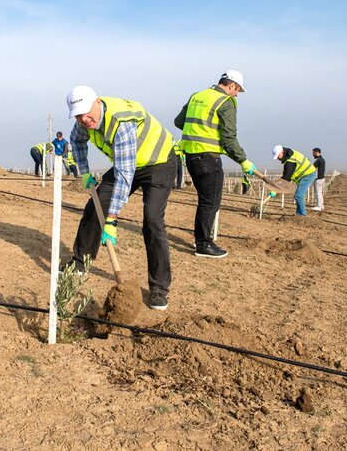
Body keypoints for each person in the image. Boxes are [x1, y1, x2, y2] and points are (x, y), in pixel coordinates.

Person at [64, 85, 177, 310]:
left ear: (98, 103)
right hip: (129, 163)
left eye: (87, 112)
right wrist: (85, 172)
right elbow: (76, 142)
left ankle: (159, 288)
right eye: (78, 115)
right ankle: (79, 264)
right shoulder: (84, 122)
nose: (85, 119)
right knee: (94, 206)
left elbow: (125, 174)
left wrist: (112, 221)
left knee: (153, 221)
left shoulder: (121, 123)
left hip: (159, 162)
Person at [175, 69, 256, 258]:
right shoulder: (226, 102)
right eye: (237, 90)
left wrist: (200, 130)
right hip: (209, 159)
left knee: (205, 201)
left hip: (191, 157)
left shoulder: (197, 96)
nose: (237, 94)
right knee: (210, 203)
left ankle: (202, 241)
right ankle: (203, 244)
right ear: (231, 85)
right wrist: (244, 161)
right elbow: (229, 138)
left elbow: (179, 121)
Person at [271, 145, 317, 215]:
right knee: (298, 195)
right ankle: (299, 214)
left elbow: (286, 179)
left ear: (282, 152)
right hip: (305, 175)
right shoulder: (289, 155)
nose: (278, 158)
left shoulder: (290, 161)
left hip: (308, 175)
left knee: (298, 195)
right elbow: (285, 176)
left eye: (278, 156)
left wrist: (275, 189)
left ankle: (302, 215)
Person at [311, 147, 325, 211]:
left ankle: (319, 206)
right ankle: (321, 206)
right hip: (322, 178)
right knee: (320, 193)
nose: (312, 154)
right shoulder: (322, 159)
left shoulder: (319, 160)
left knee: (318, 193)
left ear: (317, 152)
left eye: (313, 153)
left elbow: (312, 168)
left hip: (318, 179)